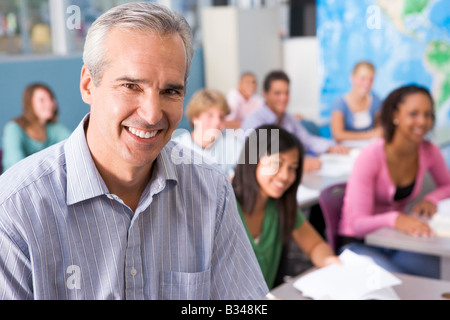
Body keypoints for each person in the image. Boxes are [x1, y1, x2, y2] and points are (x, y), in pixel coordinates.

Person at [0, 2, 268, 300]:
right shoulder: (14, 210)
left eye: (170, 91)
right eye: (131, 86)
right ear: (89, 85)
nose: (152, 115)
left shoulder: (210, 191)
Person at [338, 84, 450, 279]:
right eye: (413, 114)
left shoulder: (428, 150)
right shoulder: (371, 156)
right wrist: (395, 219)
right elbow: (357, 224)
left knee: (436, 276)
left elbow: (448, 184)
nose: (422, 121)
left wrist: (430, 199)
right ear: (395, 115)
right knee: (400, 286)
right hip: (359, 242)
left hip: (394, 240)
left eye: (428, 114)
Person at [232, 124, 341, 289]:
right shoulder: (225, 207)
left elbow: (315, 245)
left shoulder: (279, 205)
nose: (285, 176)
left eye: (292, 168)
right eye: (277, 163)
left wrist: (329, 261)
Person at [241, 70, 350, 173]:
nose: (283, 98)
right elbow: (260, 159)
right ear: (265, 94)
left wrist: (331, 147)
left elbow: (307, 140)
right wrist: (297, 165)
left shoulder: (288, 118)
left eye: (286, 93)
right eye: (277, 93)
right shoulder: (254, 121)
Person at [172, 88, 242, 178]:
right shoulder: (176, 147)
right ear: (195, 118)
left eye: (222, 116)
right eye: (210, 115)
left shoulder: (232, 143)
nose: (217, 122)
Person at [2, 82, 71, 171]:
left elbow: (73, 144)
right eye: (42, 100)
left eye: (51, 98)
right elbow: (16, 166)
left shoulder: (54, 129)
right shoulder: (13, 129)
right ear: (30, 104)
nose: (49, 104)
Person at [330, 61, 383, 143]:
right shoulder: (340, 103)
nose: (367, 83)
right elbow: (338, 135)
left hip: (368, 148)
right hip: (345, 150)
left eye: (371, 80)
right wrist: (369, 135)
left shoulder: (376, 100)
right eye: (362, 79)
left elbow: (379, 129)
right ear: (352, 77)